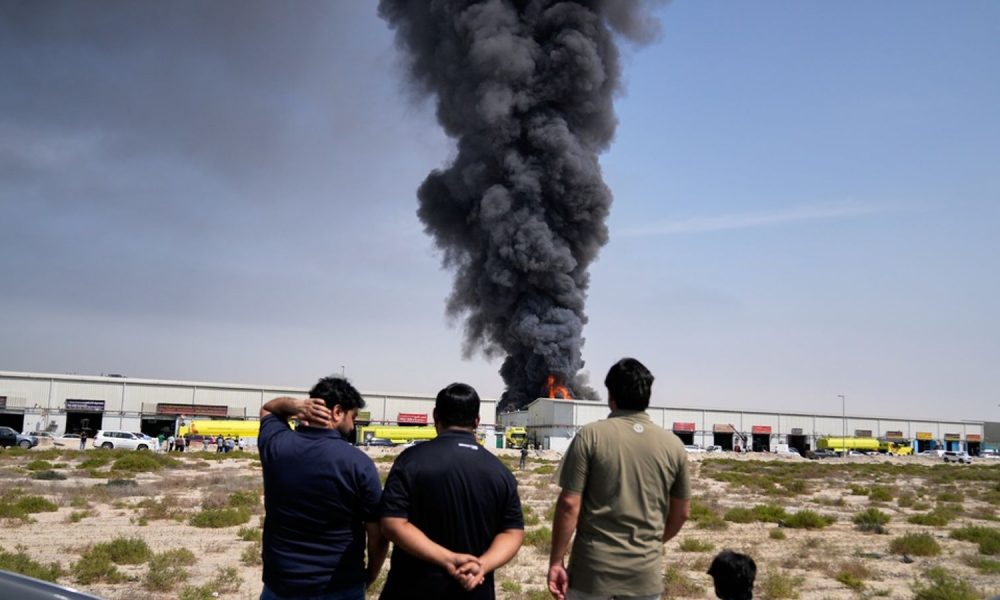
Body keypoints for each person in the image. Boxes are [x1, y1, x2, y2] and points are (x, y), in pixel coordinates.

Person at [548, 358, 691, 600]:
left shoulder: (591, 436)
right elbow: (682, 513)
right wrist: (651, 545)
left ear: (610, 395)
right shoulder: (674, 445)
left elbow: (569, 504)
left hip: (592, 575)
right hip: (644, 578)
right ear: (647, 395)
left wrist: (556, 561)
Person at [379, 382, 524, 599]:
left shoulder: (410, 461)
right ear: (477, 421)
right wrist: (482, 565)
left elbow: (392, 524)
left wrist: (448, 559)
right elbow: (512, 533)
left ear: (436, 416)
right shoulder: (500, 472)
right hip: (475, 589)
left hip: (412, 590)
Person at [258, 376, 387, 600]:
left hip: (280, 584)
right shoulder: (359, 464)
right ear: (338, 412)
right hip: (339, 586)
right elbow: (377, 535)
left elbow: (268, 409)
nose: (353, 424)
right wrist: (370, 575)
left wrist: (295, 406)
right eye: (353, 417)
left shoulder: (276, 446)